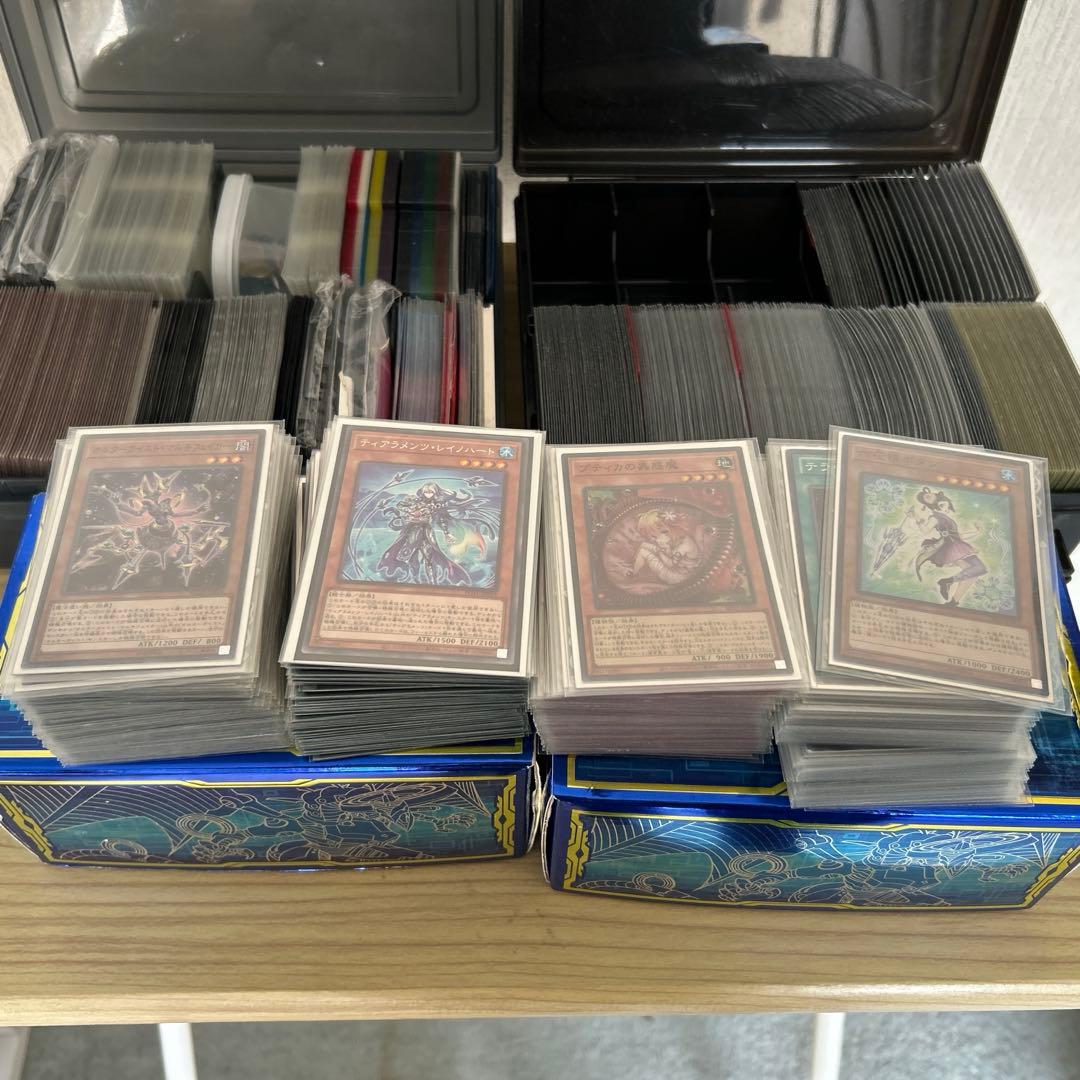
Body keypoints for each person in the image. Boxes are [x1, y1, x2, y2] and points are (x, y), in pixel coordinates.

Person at [911, 487, 987, 607]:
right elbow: (925, 530)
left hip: (958, 545)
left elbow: (958, 535)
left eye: (945, 504)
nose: (945, 506)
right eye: (926, 497)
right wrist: (916, 518)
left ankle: (953, 602)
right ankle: (947, 582)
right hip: (953, 548)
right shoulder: (935, 517)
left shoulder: (945, 517)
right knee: (979, 569)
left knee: (973, 574)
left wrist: (976, 532)